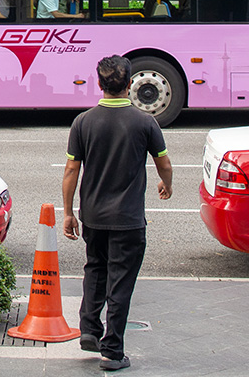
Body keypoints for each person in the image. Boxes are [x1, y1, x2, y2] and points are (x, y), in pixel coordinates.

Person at [62, 56, 172, 372]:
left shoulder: (83, 122)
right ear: (129, 85)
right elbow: (163, 162)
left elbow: (71, 170)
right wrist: (167, 184)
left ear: (99, 84)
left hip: (93, 216)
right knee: (120, 283)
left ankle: (88, 328)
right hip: (128, 220)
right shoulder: (145, 122)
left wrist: (69, 212)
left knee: (95, 269)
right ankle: (112, 350)